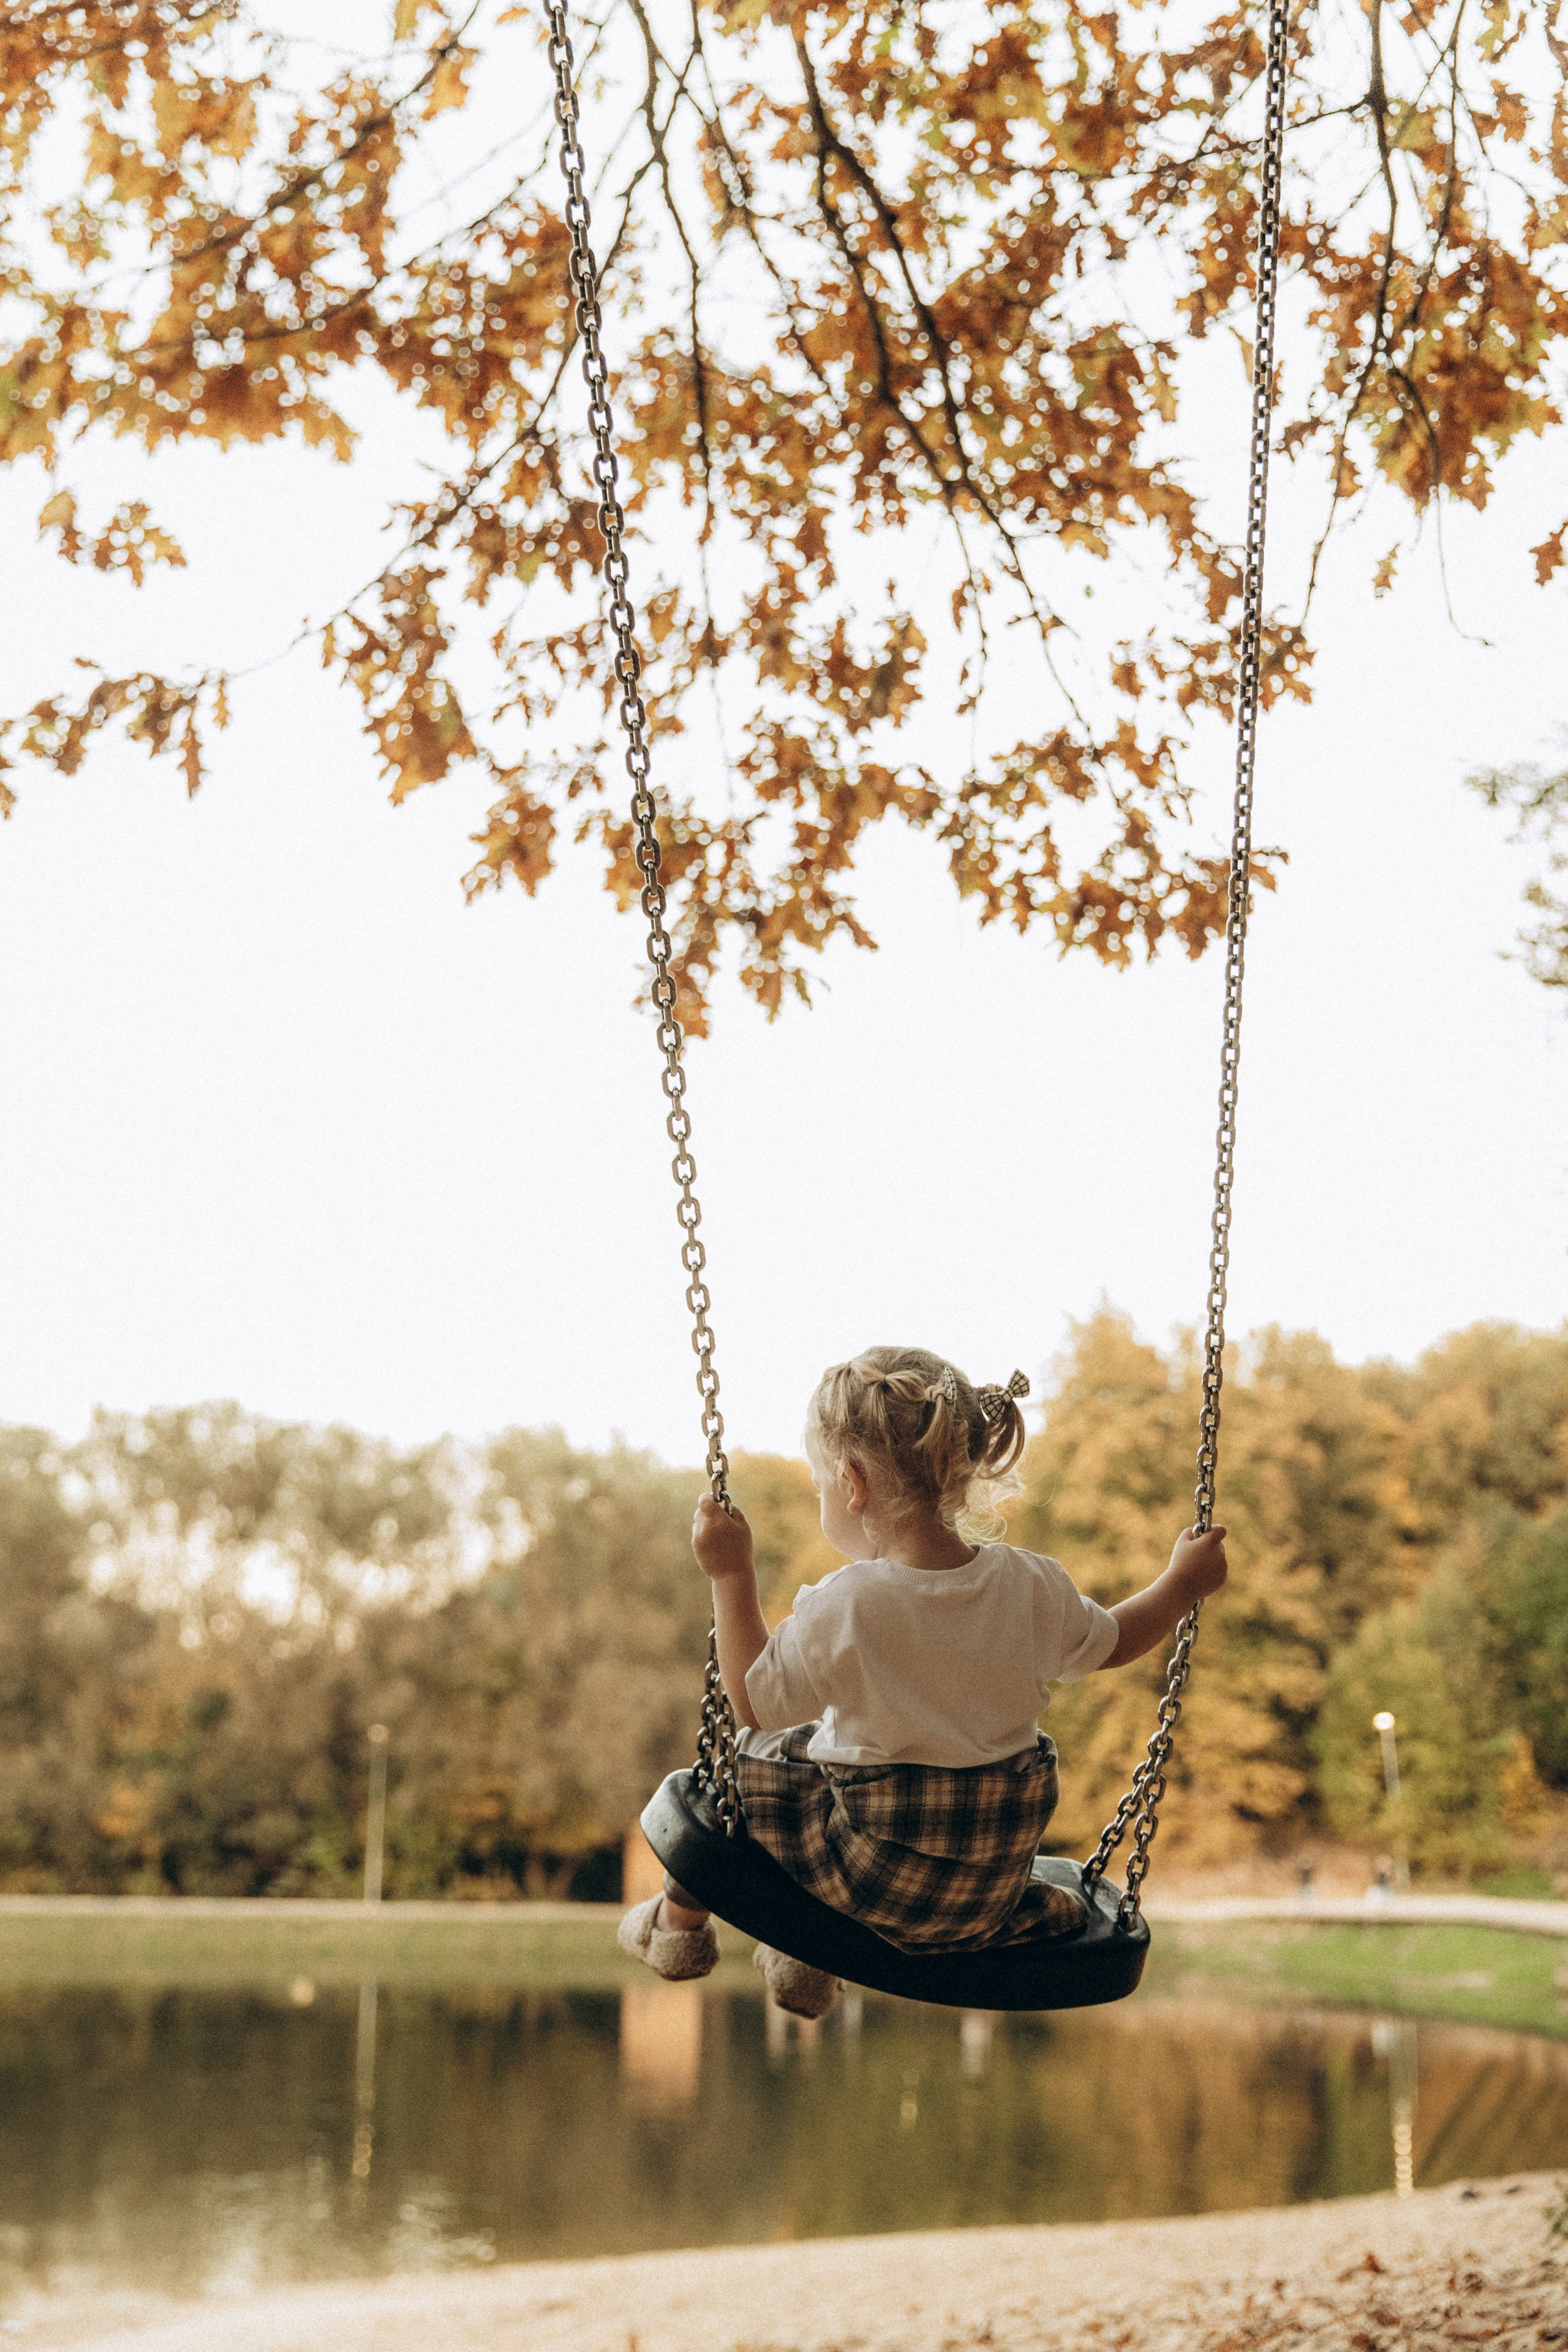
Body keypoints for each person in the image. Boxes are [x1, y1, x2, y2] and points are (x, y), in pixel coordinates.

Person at [618, 1346, 1228, 2016]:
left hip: (869, 1877)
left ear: (851, 1484)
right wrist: (1181, 1584)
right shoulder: (1031, 1586)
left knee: (738, 1772)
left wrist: (731, 1576)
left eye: (822, 1484)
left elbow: (754, 1704)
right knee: (812, 1764)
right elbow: (1115, 1641)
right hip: (980, 1896)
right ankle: (807, 1961)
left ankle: (678, 1928)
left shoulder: (844, 1604)